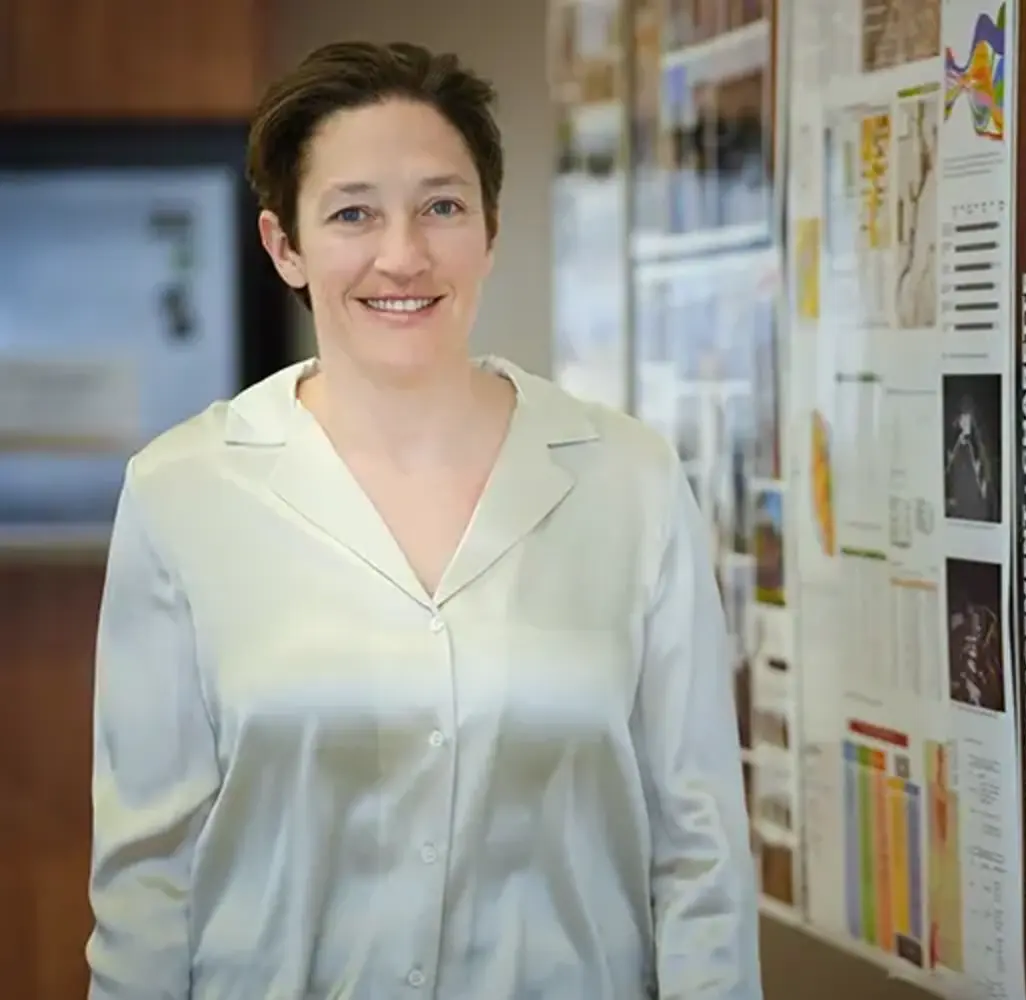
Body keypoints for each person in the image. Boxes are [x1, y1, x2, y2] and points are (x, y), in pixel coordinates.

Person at [85, 41, 759, 998]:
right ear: (284, 245)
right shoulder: (182, 491)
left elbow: (700, 856)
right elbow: (147, 877)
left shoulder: (630, 481)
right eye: (352, 213)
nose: (402, 255)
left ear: (490, 229)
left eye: (442, 207)